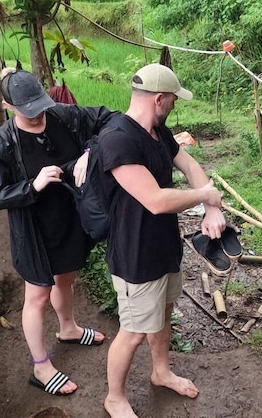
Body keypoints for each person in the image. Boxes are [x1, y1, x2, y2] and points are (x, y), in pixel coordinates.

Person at [0, 68, 117, 396]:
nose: (38, 115)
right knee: (37, 296)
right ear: (8, 107)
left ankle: (68, 328)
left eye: (40, 106)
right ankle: (41, 366)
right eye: (28, 111)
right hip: (34, 230)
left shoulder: (64, 115)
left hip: (68, 218)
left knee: (66, 278)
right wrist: (31, 186)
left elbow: (112, 119)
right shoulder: (2, 144)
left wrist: (90, 152)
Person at [94, 63, 226, 418]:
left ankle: (161, 371)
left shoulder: (158, 131)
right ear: (159, 99)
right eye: (173, 101)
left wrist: (211, 204)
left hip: (165, 246)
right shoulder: (118, 139)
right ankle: (115, 398)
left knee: (164, 314)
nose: (174, 107)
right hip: (135, 254)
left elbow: (190, 165)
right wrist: (205, 197)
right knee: (134, 331)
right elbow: (155, 200)